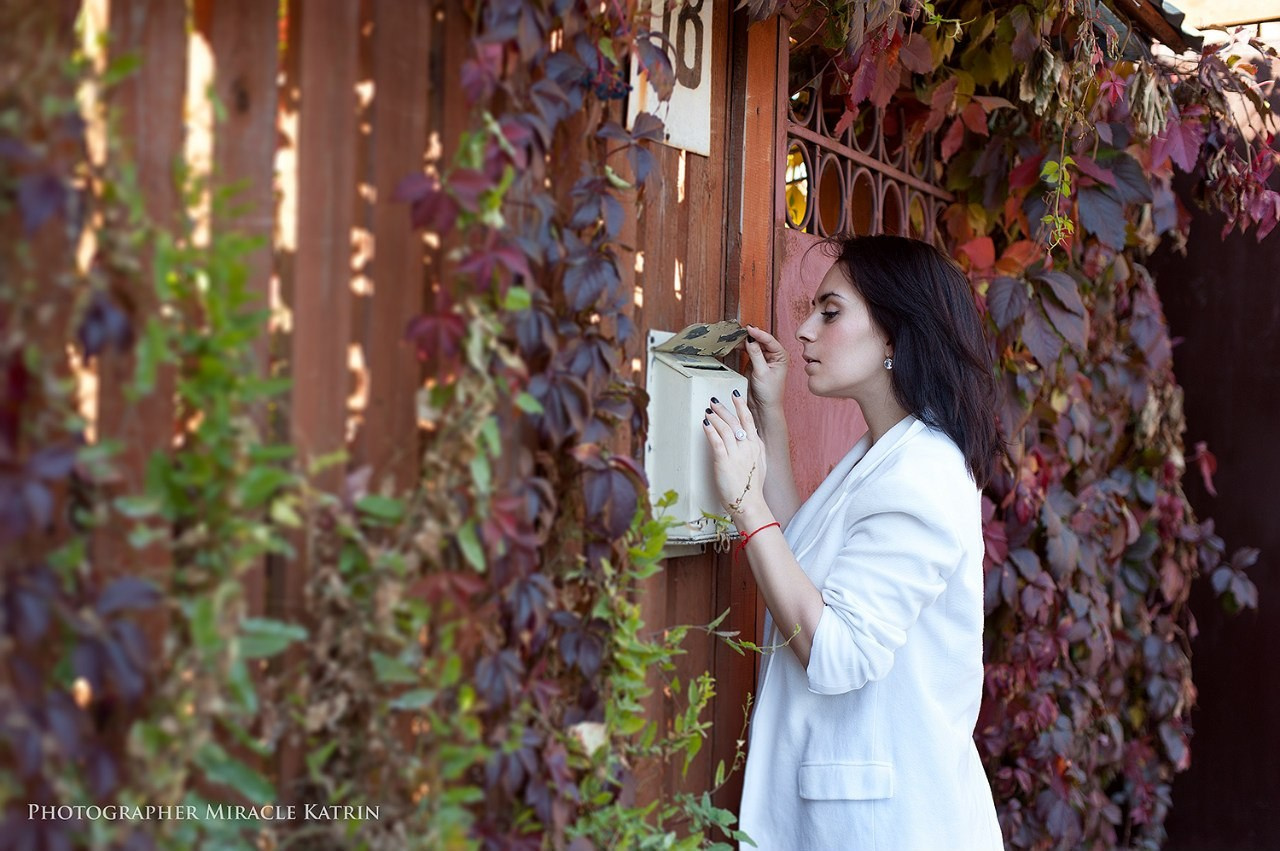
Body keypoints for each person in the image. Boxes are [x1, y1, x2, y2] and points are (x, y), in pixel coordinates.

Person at [701, 234, 1004, 850]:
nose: (804, 329)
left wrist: (745, 504)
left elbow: (835, 651)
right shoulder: (885, 454)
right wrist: (773, 412)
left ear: (893, 334)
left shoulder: (922, 472)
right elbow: (798, 559)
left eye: (830, 312)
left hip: (890, 828)